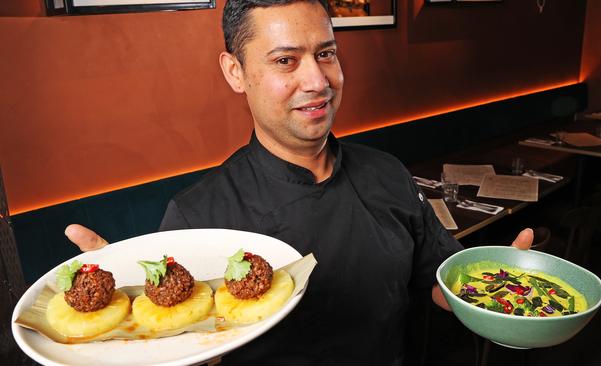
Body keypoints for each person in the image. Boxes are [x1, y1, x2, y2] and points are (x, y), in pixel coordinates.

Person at [65, 1, 533, 365]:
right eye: (286, 61)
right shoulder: (197, 216)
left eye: (325, 54)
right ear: (236, 72)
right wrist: (119, 318)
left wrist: (494, 297)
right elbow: (180, 344)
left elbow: (437, 278)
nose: (317, 80)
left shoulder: (387, 172)